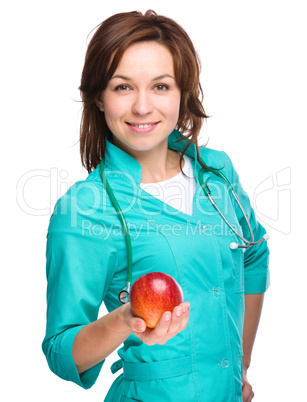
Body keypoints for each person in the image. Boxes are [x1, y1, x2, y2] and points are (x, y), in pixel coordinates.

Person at [42, 10, 270, 402]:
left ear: (183, 92)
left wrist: (240, 366)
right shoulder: (83, 210)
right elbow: (62, 351)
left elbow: (254, 256)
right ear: (98, 96)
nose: (143, 107)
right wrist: (124, 320)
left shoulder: (217, 172)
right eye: (123, 87)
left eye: (161, 86)